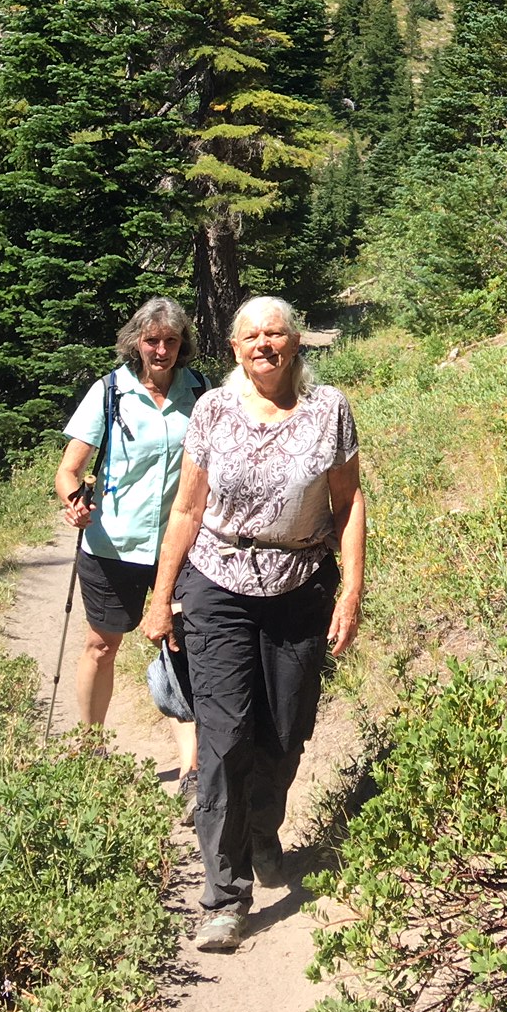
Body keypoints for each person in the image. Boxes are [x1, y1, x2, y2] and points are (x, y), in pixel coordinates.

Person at [140, 294, 366, 955]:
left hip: (299, 586)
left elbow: (348, 502)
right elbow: (186, 510)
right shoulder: (213, 410)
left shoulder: (329, 410)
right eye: (252, 336)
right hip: (217, 584)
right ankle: (225, 896)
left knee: (287, 729)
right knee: (227, 736)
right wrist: (161, 598)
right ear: (234, 348)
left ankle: (264, 833)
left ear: (296, 342)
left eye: (277, 333)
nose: (265, 344)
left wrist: (351, 591)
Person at [54, 296, 207, 814]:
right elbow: (68, 470)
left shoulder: (201, 393)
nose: (161, 349)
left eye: (170, 340)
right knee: (102, 645)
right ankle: (91, 744)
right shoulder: (110, 391)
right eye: (151, 340)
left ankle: (191, 767)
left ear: (182, 343)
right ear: (136, 342)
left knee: (179, 645)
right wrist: (73, 503)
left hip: (179, 547)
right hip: (112, 544)